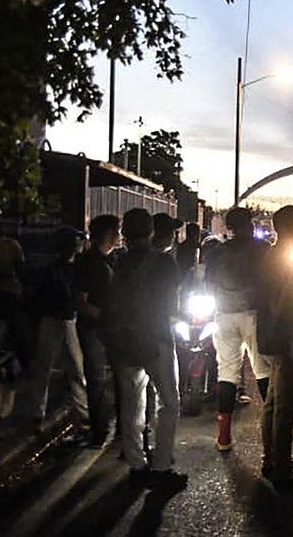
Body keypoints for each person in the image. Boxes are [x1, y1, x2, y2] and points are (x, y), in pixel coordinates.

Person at [104, 208, 186, 489]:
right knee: (169, 403)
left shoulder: (119, 262)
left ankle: (137, 465)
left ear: (125, 233)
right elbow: (172, 306)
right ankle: (162, 467)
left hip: (125, 342)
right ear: (151, 231)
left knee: (131, 404)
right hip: (156, 340)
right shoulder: (164, 263)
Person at [206, 206, 271, 452]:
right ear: (249, 225)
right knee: (263, 371)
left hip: (223, 316)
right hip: (254, 315)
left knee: (227, 373)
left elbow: (208, 284)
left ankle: (223, 438)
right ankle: (271, 440)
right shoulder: (262, 250)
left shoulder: (216, 252)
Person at [256, 205, 293, 489]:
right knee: (285, 406)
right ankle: (281, 467)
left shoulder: (272, 255)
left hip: (270, 337)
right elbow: (282, 304)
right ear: (289, 227)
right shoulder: (286, 259)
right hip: (283, 339)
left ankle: (271, 458)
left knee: (273, 403)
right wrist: (292, 337)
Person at [30, 227, 88, 429]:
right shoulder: (62, 269)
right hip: (60, 318)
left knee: (64, 368)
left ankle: (42, 410)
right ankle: (81, 410)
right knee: (64, 367)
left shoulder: (62, 268)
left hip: (61, 318)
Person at [74, 214, 121, 447]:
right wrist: (105, 316)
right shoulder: (88, 262)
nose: (120, 236)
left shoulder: (110, 260)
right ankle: (99, 431)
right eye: (117, 231)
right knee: (96, 380)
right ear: (108, 234)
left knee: (119, 377)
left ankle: (119, 430)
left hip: (110, 327)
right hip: (94, 329)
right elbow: (80, 302)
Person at [0, 215, 31, 370]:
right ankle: (25, 363)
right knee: (18, 330)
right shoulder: (12, 245)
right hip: (10, 292)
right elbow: (21, 268)